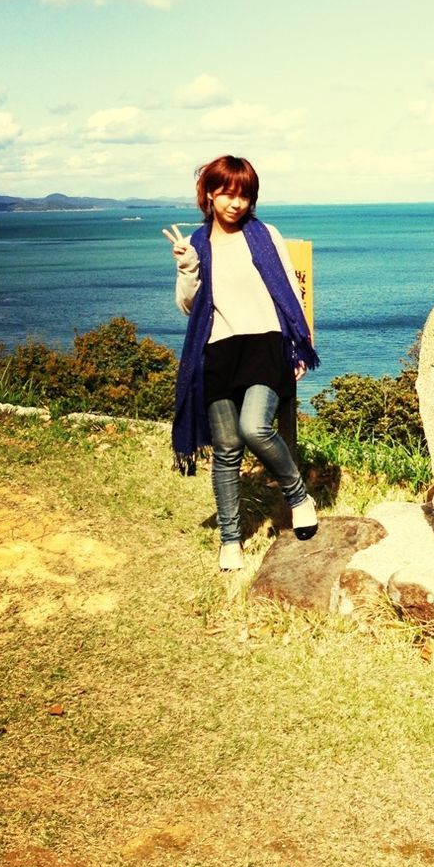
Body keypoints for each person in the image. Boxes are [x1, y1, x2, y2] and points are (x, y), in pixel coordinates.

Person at [163, 155, 320, 571]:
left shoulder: (265, 234)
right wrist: (187, 267)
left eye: (244, 194)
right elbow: (188, 308)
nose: (236, 202)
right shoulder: (196, 244)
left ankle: (299, 496)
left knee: (254, 427)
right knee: (227, 449)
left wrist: (298, 345)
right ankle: (230, 539)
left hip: (266, 344)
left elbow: (289, 290)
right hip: (217, 349)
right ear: (209, 194)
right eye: (227, 193)